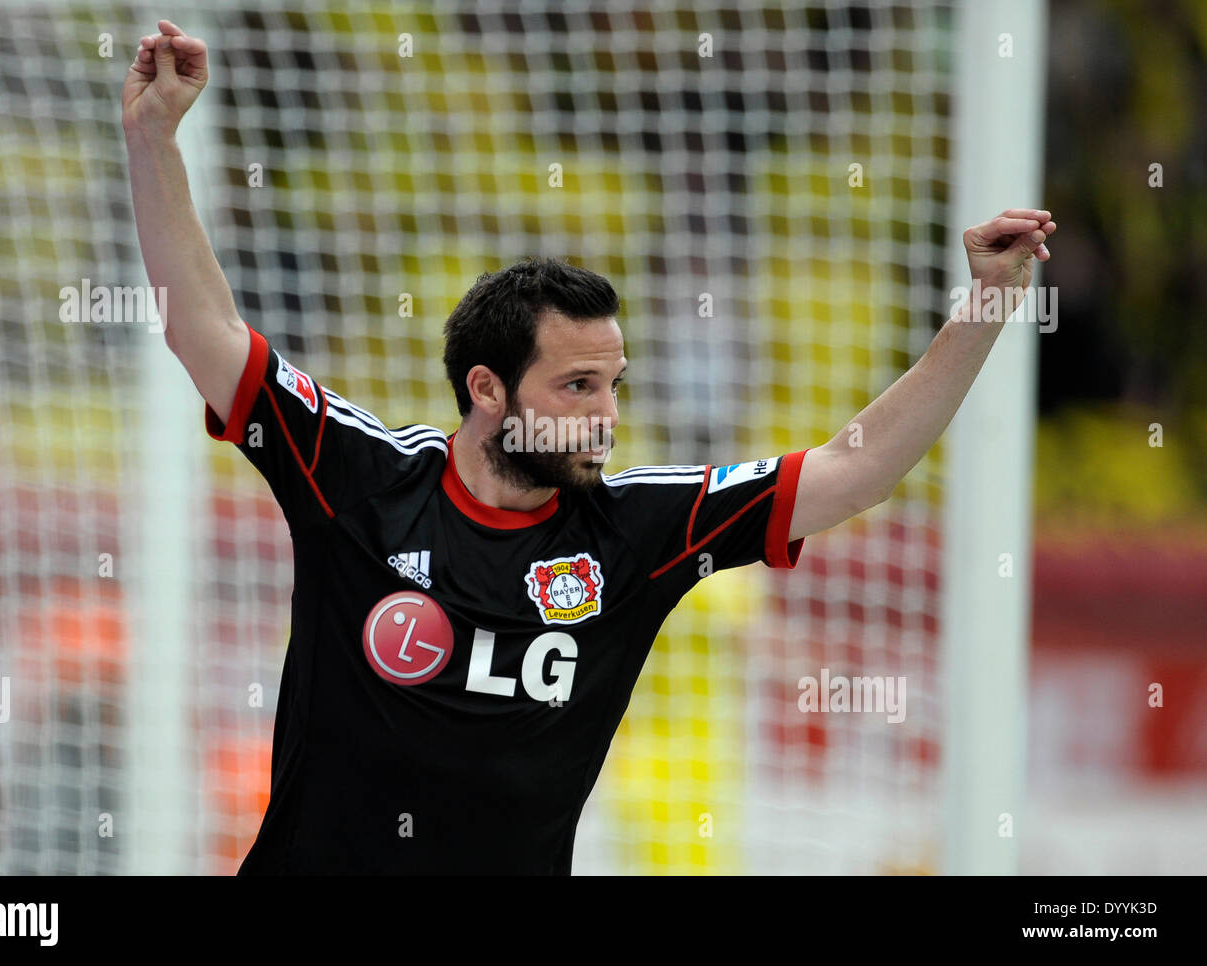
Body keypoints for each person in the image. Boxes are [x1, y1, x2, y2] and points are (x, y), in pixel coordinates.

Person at [123, 19, 1056, 873]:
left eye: (615, 384)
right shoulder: (360, 473)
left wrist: (986, 305)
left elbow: (858, 470)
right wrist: (154, 137)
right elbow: (201, 328)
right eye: (577, 386)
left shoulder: (639, 528)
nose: (605, 413)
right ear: (486, 390)